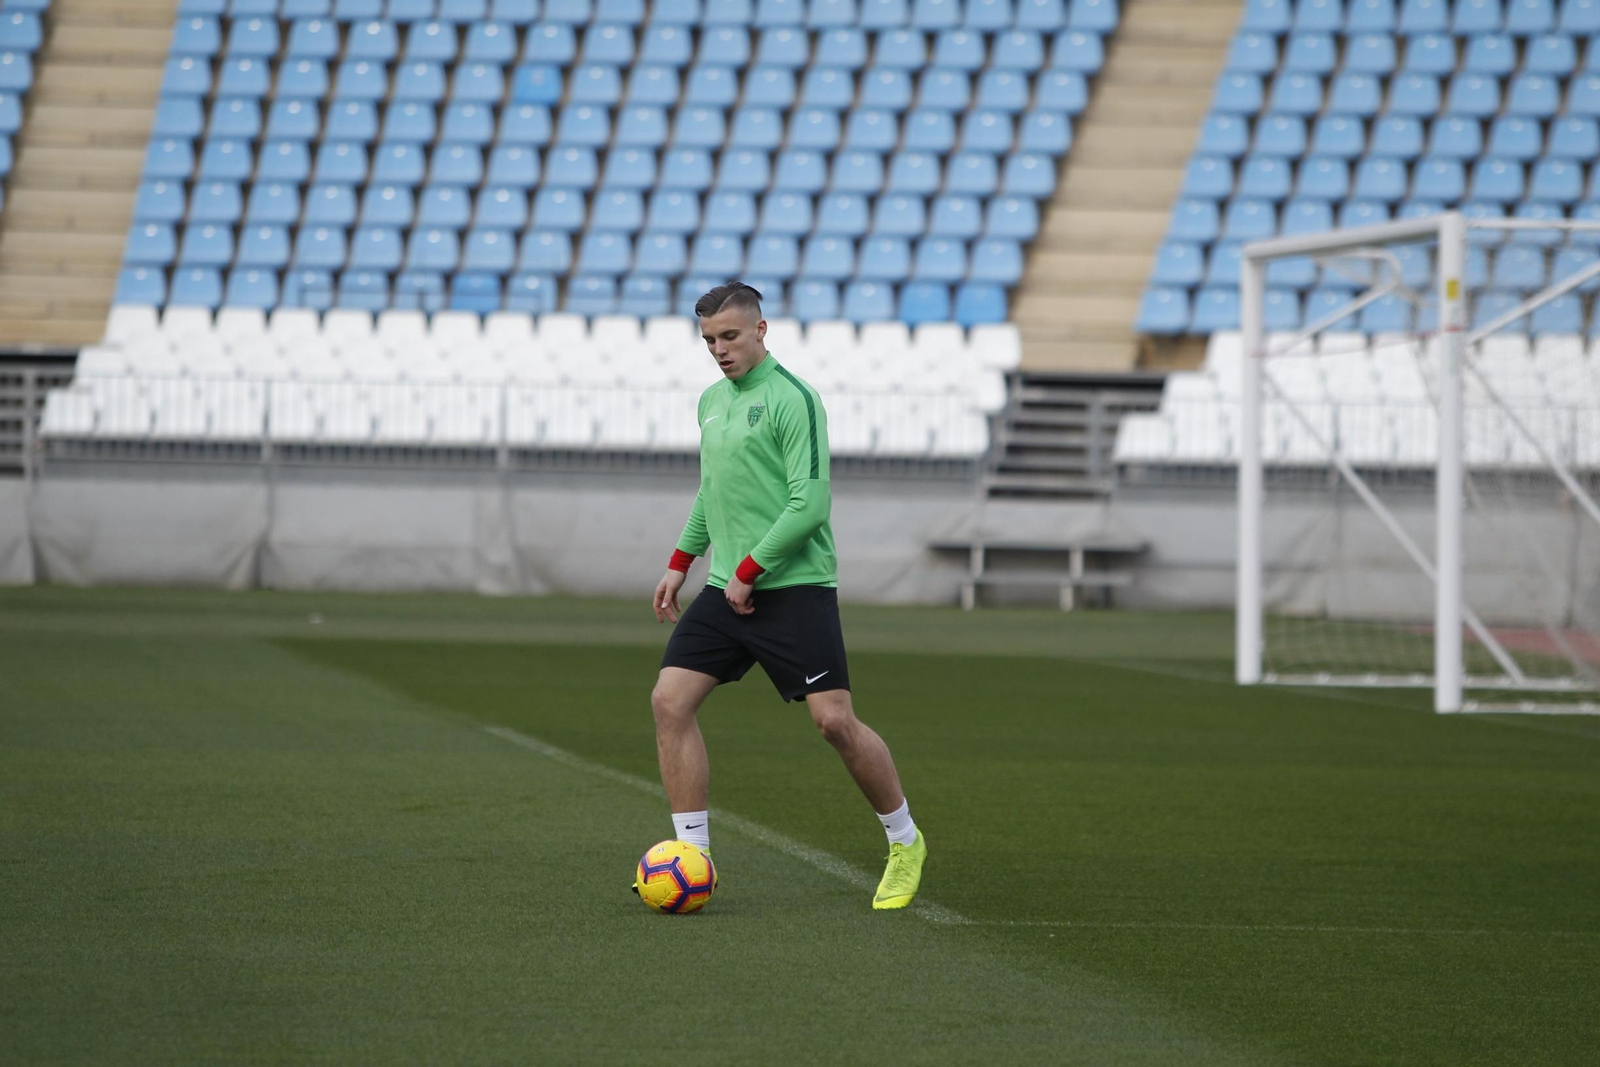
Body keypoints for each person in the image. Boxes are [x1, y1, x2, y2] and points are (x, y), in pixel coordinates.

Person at [641, 281, 927, 910]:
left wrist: (749, 568)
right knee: (670, 701)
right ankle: (694, 855)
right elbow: (711, 492)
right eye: (710, 339)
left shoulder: (794, 399)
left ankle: (904, 841)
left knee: (834, 723)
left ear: (762, 330)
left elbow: (810, 504)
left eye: (731, 336)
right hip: (727, 588)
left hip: (793, 587)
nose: (719, 350)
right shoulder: (712, 402)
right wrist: (682, 560)